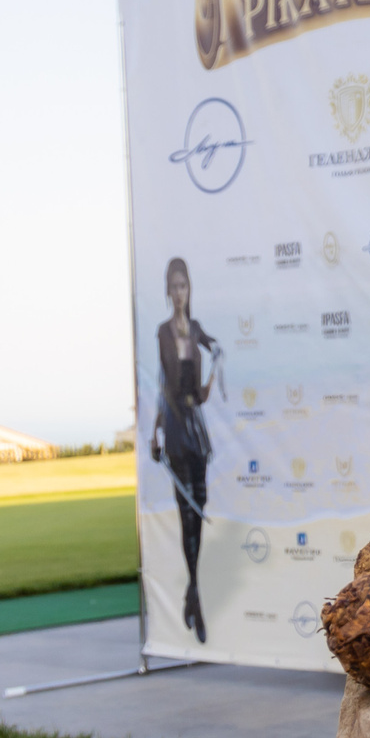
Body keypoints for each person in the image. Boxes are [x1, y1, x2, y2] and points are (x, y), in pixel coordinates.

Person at [148, 257, 219, 643]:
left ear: (190, 290)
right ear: (167, 291)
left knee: (200, 505)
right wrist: (157, 433)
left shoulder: (195, 329)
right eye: (174, 287)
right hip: (175, 429)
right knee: (187, 514)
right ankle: (197, 599)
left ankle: (191, 593)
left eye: (184, 286)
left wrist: (213, 366)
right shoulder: (163, 333)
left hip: (197, 427)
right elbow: (164, 385)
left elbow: (204, 386)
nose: (179, 293)